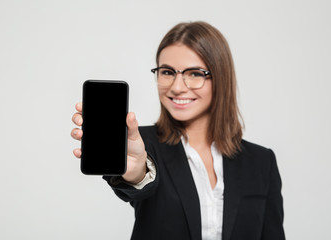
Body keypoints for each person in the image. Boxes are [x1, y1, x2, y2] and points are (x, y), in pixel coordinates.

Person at [71, 21, 285, 240]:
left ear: (221, 77)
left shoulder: (261, 161)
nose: (177, 86)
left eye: (194, 73)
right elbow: (139, 180)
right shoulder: (141, 145)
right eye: (167, 72)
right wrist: (136, 173)